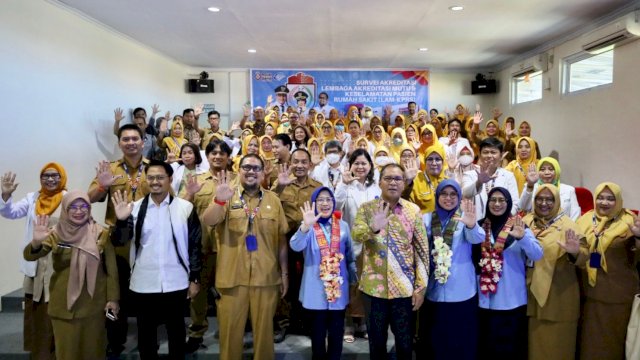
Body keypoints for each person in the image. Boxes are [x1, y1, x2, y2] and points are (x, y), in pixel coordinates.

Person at [110, 160, 202, 360]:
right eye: (150, 177)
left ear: (170, 180)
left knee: (177, 334)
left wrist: (194, 278)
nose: (155, 182)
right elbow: (119, 241)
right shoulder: (133, 208)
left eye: (160, 177)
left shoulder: (185, 208)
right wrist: (121, 220)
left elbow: (195, 246)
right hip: (144, 283)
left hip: (176, 282)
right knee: (146, 337)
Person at [202, 154, 289, 360]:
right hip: (232, 279)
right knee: (230, 335)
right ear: (238, 170)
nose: (251, 171)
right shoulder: (225, 195)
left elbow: (281, 239)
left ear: (262, 172)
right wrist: (219, 200)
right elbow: (209, 220)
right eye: (247, 167)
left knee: (264, 337)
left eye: (256, 168)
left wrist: (284, 273)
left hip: (266, 279)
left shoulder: (273, 200)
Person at [24, 190, 119, 360]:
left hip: (93, 305)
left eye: (83, 206)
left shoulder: (100, 233)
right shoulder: (55, 232)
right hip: (64, 306)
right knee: (67, 354)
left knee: (93, 352)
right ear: (65, 209)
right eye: (73, 207)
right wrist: (36, 242)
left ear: (89, 209)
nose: (79, 211)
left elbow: (111, 270)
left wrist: (113, 298)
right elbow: (31, 255)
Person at [352, 164, 430, 360]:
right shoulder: (367, 209)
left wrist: (420, 288)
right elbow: (356, 234)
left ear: (404, 183)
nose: (393, 183)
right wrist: (374, 229)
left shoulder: (413, 211)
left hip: (404, 290)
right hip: (373, 290)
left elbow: (422, 251)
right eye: (388, 178)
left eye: (397, 179)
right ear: (379, 182)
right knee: (376, 344)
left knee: (405, 344)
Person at [88, 123, 150, 356]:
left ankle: (148, 338)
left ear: (143, 142)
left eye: (135, 138)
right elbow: (90, 198)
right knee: (114, 291)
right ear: (119, 143)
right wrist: (103, 184)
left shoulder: (153, 168)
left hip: (147, 238)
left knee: (146, 293)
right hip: (117, 240)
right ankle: (114, 339)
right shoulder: (110, 169)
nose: (131, 142)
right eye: (126, 139)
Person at [1, 164, 67, 359]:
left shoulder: (68, 198)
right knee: (36, 309)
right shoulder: (32, 198)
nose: (50, 179)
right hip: (35, 260)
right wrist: (5, 196)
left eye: (55, 175)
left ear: (62, 177)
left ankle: (58, 350)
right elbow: (10, 212)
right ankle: (40, 350)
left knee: (56, 308)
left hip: (57, 263)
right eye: (45, 176)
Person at [419, 181, 484, 360]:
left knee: (461, 338)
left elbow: (477, 238)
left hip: (462, 288)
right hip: (434, 289)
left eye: (453, 194)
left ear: (459, 197)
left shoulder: (464, 218)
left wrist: (471, 225)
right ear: (437, 196)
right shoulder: (426, 218)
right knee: (436, 338)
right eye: (444, 194)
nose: (448, 198)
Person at [476, 187, 542, 359]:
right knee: (487, 348)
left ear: (508, 203)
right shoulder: (479, 226)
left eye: (501, 200)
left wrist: (522, 238)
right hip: (485, 302)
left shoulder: (518, 225)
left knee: (510, 349)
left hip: (512, 301)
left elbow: (537, 254)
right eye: (493, 200)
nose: (497, 204)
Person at [182, 139, 236, 352]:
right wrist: (189, 193)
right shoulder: (196, 180)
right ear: (207, 156)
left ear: (228, 156)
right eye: (213, 152)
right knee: (199, 293)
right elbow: (181, 209)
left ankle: (228, 331)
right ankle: (196, 333)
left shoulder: (237, 180)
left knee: (228, 294)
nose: (217, 156)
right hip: (203, 247)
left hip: (230, 248)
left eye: (222, 153)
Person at [523, 184, 588, 360]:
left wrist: (574, 252)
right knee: (533, 348)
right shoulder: (526, 221)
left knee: (558, 349)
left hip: (558, 299)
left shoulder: (568, 225)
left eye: (549, 199)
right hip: (531, 298)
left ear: (557, 201)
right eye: (540, 199)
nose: (544, 203)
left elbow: (584, 257)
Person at [291, 188, 357, 360]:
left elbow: (349, 254)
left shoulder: (343, 226)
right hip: (316, 290)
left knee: (337, 333)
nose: (325, 203)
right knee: (317, 335)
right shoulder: (309, 225)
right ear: (314, 203)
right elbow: (295, 246)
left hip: (338, 290)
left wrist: (353, 274)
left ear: (334, 202)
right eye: (320, 200)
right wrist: (305, 227)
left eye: (329, 199)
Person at [576, 182, 640, 360]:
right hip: (588, 294)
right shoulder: (585, 220)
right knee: (588, 344)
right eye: (600, 197)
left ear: (618, 201)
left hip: (617, 297)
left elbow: (637, 257)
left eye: (610, 199)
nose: (604, 202)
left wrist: (638, 238)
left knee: (612, 344)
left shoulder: (630, 222)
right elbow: (579, 251)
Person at [272, 149, 322, 338]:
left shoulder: (318, 187)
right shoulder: (281, 184)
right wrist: (280, 187)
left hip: (310, 241)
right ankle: (283, 323)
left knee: (309, 280)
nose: (300, 165)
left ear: (310, 165)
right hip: (284, 240)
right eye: (296, 162)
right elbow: (267, 203)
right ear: (290, 163)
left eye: (304, 162)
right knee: (285, 280)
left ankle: (307, 322)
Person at [334, 149, 381, 342]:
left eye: (364, 163)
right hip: (350, 244)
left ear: (370, 166)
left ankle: (362, 323)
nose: (360, 167)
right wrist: (343, 185)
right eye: (357, 163)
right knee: (349, 284)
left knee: (367, 284)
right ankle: (348, 325)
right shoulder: (346, 186)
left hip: (373, 244)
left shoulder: (377, 188)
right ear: (350, 166)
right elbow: (336, 208)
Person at [462, 137, 520, 218]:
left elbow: (515, 203)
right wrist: (479, 182)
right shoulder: (470, 175)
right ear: (479, 154)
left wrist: (503, 219)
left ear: (501, 155)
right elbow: (466, 193)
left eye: (493, 152)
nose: (489, 156)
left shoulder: (508, 176)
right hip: (475, 224)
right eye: (485, 152)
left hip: (500, 224)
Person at [404, 145, 448, 214]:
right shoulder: (415, 180)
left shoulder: (447, 182)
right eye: (430, 159)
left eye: (438, 159)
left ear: (443, 162)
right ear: (425, 161)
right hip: (421, 223)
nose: (434, 163)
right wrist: (408, 182)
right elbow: (403, 201)